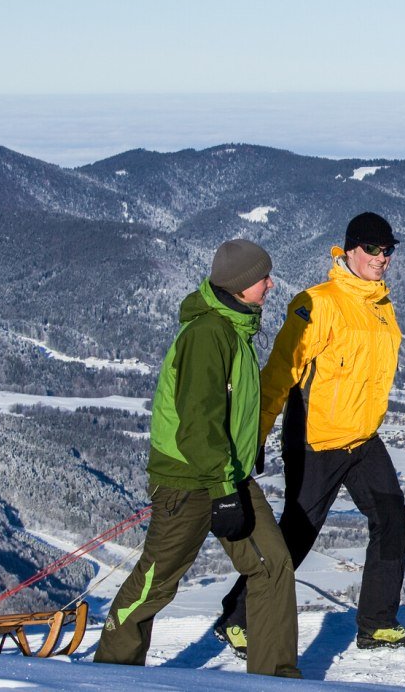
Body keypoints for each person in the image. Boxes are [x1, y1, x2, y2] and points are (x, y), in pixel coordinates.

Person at [215, 212, 405, 652]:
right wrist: (254, 436)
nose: (381, 257)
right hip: (316, 439)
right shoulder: (317, 303)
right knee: (298, 532)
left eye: (388, 250)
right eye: (372, 249)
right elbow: (278, 375)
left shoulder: (381, 307)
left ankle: (376, 624)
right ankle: (237, 617)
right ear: (349, 249)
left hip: (362, 437)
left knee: (394, 522)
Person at [95, 239, 300, 678]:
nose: (271, 283)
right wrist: (224, 492)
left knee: (273, 565)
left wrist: (244, 459)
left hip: (228, 475)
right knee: (157, 580)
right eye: (264, 277)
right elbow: (197, 423)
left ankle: (277, 678)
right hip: (189, 483)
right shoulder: (209, 334)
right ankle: (109, 671)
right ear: (243, 284)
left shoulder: (236, 327)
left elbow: (231, 409)